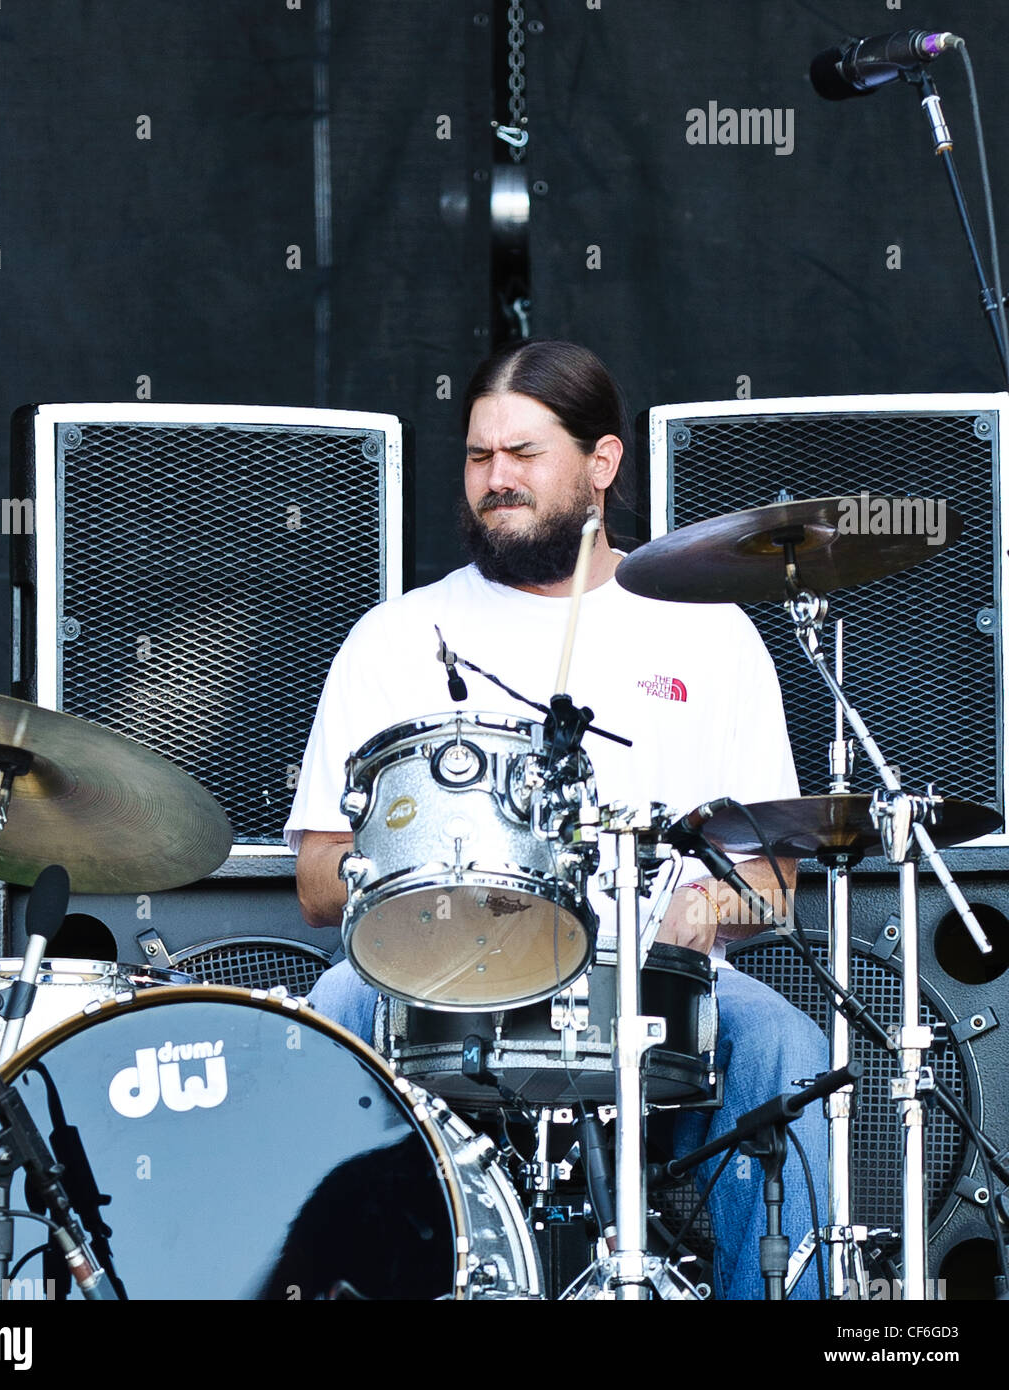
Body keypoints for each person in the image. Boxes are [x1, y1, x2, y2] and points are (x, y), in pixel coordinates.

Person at [285, 339, 829, 1300]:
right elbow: (321, 877)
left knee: (785, 1048)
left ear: (602, 464)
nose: (495, 481)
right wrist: (432, 891)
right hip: (434, 980)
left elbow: (776, 882)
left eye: (523, 456)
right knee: (325, 1017)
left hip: (653, 989)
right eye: (478, 458)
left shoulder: (709, 629)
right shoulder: (399, 636)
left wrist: (684, 921)